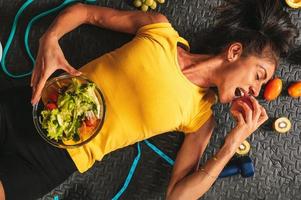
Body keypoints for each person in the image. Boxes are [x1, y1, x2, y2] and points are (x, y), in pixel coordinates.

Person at [0, 0, 298, 199]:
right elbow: (84, 12)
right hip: (36, 101)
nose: (256, 91)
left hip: (54, 160)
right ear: (234, 52)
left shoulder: (200, 121)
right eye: (259, 75)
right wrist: (49, 39)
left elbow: (178, 196)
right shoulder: (159, 30)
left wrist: (233, 142)